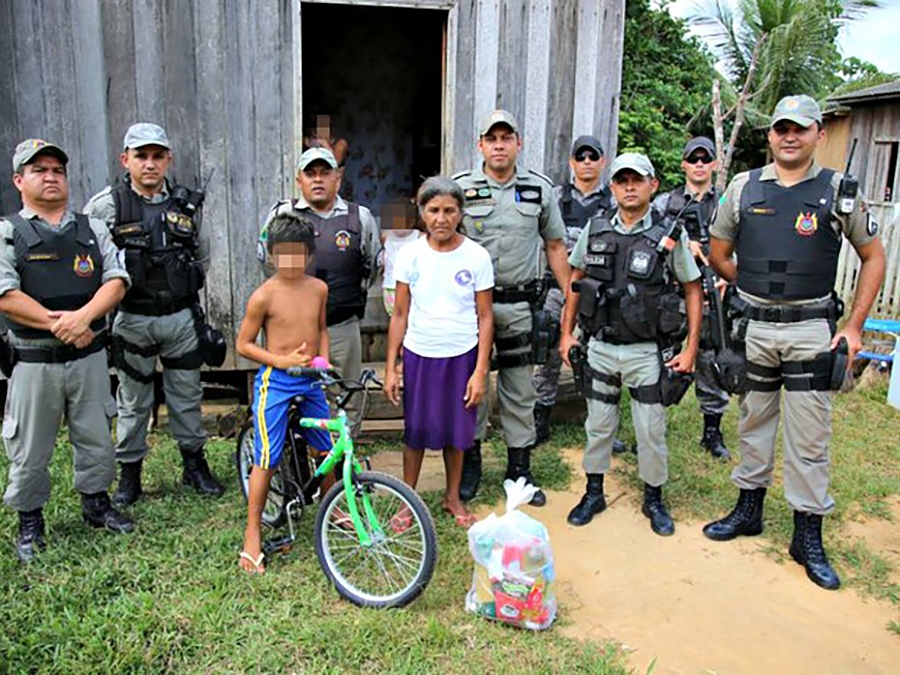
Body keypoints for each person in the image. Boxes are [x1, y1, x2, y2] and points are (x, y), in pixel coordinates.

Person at [703, 95, 886, 590]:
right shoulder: (743, 188)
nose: (789, 136)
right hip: (755, 328)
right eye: (781, 128)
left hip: (810, 330)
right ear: (770, 135)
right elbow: (719, 251)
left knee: (809, 435)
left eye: (800, 129)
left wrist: (853, 327)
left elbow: (872, 256)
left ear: (818, 135)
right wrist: (750, 286)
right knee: (753, 420)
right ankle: (748, 510)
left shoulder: (839, 191)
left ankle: (807, 535)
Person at [0, 139, 135, 563]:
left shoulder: (90, 228)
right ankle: (30, 518)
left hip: (89, 355)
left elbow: (116, 278)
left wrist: (85, 318)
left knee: (95, 435)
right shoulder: (8, 232)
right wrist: (60, 323)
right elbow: (5, 294)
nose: (51, 176)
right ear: (19, 180)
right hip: (34, 359)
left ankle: (96, 503)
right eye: (39, 169)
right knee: (30, 445)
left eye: (57, 169)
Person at [559, 153, 702, 534]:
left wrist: (690, 348)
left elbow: (692, 288)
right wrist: (566, 332)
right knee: (598, 424)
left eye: (637, 180)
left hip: (645, 351)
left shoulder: (669, 235)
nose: (629, 187)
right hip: (601, 346)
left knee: (650, 428)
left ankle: (653, 498)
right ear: (613, 186)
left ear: (653, 185)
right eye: (622, 180)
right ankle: (594, 492)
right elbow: (576, 278)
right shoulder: (597, 227)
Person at [84, 123, 223, 506]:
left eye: (157, 156)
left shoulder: (185, 205)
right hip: (132, 319)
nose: (149, 164)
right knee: (132, 401)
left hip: (180, 317)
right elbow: (90, 262)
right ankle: (130, 475)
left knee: (187, 395)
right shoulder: (106, 206)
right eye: (141, 156)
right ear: (125, 159)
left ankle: (194, 465)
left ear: (168, 160)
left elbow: (203, 256)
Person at [454, 110, 571, 507]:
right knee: (472, 387)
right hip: (470, 310)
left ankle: (518, 469)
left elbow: (555, 245)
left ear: (518, 144)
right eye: (492, 138)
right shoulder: (461, 189)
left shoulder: (539, 190)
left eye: (507, 138)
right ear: (481, 145)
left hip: (521, 304)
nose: (500, 145)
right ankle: (470, 463)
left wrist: (570, 293)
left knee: (520, 389)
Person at [384, 176, 494, 529]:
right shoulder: (409, 255)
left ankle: (452, 497)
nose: (441, 218)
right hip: (419, 354)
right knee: (415, 431)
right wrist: (392, 366)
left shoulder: (476, 256)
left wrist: (479, 372)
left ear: (460, 213)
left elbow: (486, 317)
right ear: (422, 213)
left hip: (462, 356)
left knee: (457, 432)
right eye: (433, 210)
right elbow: (399, 314)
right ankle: (408, 501)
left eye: (449, 210)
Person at [236, 213, 333, 573]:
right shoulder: (264, 296)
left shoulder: (318, 289)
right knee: (267, 456)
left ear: (309, 254)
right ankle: (253, 533)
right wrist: (279, 360)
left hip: (310, 378)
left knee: (326, 445)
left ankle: (332, 505)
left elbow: (321, 328)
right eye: (283, 254)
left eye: (299, 254)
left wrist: (323, 358)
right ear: (271, 255)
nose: (291, 262)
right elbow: (244, 344)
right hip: (275, 381)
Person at [258, 148, 380, 431]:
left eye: (325, 172)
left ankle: (341, 466)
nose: (318, 179)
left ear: (337, 178)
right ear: (298, 179)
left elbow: (370, 268)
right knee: (294, 396)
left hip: (342, 326)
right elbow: (265, 262)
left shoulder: (359, 218)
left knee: (347, 396)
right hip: (293, 331)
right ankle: (299, 458)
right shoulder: (281, 214)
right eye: (310, 173)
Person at [652, 137, 731, 460]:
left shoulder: (727, 202)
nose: (699, 164)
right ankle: (652, 427)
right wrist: (684, 247)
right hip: (671, 296)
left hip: (713, 294)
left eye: (705, 159)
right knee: (659, 362)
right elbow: (651, 240)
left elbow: (740, 241)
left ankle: (712, 431)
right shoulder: (663, 203)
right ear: (683, 164)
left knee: (711, 361)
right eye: (693, 159)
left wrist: (726, 272)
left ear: (714, 164)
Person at [532, 135, 613, 445]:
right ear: (572, 163)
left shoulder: (614, 200)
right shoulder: (554, 196)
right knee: (549, 352)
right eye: (581, 157)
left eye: (593, 157)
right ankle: (542, 416)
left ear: (602, 162)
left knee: (599, 354)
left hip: (598, 292)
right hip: (557, 290)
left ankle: (601, 421)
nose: (587, 162)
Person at [380, 198, 424, 316]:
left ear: (411, 221)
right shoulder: (386, 236)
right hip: (390, 286)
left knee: (413, 316)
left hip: (413, 286)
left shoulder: (419, 237)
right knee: (395, 316)